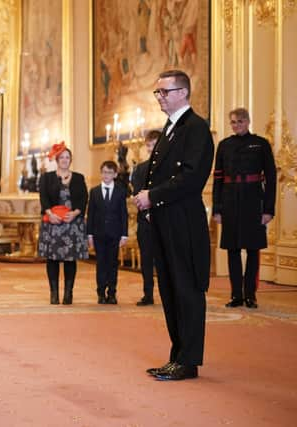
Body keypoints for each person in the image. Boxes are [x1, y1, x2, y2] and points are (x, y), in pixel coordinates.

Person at [134, 69, 214, 381]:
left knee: (187, 290)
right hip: (166, 221)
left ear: (182, 92)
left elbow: (192, 178)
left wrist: (152, 196)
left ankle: (189, 359)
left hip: (184, 221)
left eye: (164, 92)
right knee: (169, 288)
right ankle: (177, 355)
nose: (159, 97)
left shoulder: (195, 128)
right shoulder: (171, 128)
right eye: (157, 92)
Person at [213, 108, 276, 309]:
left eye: (240, 121)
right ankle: (236, 295)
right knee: (232, 250)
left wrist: (268, 209)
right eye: (233, 122)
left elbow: (272, 179)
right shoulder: (224, 146)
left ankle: (250, 295)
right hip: (230, 201)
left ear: (248, 121)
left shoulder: (261, 144)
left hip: (253, 201)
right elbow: (218, 180)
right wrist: (217, 208)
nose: (236, 125)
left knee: (252, 250)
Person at [38, 142, 88, 305]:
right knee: (52, 259)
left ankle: (68, 294)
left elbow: (83, 199)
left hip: (72, 224)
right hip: (52, 223)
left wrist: (75, 213)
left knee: (70, 259)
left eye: (67, 157)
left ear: (70, 160)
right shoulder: (47, 177)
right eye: (62, 157)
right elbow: (43, 197)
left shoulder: (79, 178)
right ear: (57, 159)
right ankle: (54, 294)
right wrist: (50, 213)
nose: (65, 160)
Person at [87, 160, 128, 304]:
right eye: (104, 172)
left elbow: (124, 214)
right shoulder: (94, 191)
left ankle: (112, 292)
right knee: (101, 263)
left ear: (115, 174)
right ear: (101, 173)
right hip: (98, 234)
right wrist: (89, 234)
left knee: (112, 264)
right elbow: (90, 214)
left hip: (114, 234)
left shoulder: (120, 191)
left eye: (110, 172)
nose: (106, 175)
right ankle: (100, 292)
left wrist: (124, 234)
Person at [131, 130, 161, 306]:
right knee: (147, 259)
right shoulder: (140, 168)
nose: (152, 148)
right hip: (145, 221)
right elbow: (137, 194)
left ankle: (169, 294)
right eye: (149, 145)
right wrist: (149, 214)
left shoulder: (169, 166)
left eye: (155, 144)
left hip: (165, 220)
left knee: (166, 259)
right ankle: (147, 294)